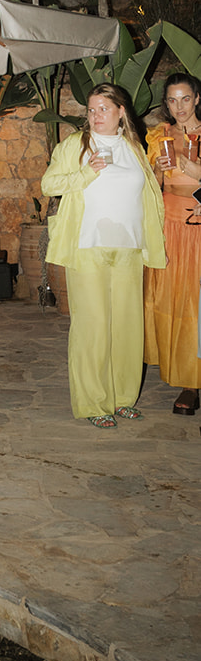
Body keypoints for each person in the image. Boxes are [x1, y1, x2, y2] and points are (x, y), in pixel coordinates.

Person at [42, 84, 166, 427]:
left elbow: (147, 195)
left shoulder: (134, 147)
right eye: (91, 110)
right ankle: (94, 404)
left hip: (129, 248)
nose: (96, 116)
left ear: (121, 112)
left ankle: (123, 398)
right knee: (92, 327)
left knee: (127, 327)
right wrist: (87, 172)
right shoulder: (75, 145)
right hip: (88, 247)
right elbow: (49, 185)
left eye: (103, 109)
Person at [143, 73, 201, 414]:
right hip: (169, 226)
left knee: (196, 302)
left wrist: (192, 170)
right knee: (174, 300)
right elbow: (150, 186)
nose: (179, 107)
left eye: (185, 98)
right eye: (172, 100)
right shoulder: (159, 136)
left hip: (199, 225)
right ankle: (186, 378)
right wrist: (156, 168)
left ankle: (193, 381)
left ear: (197, 99)